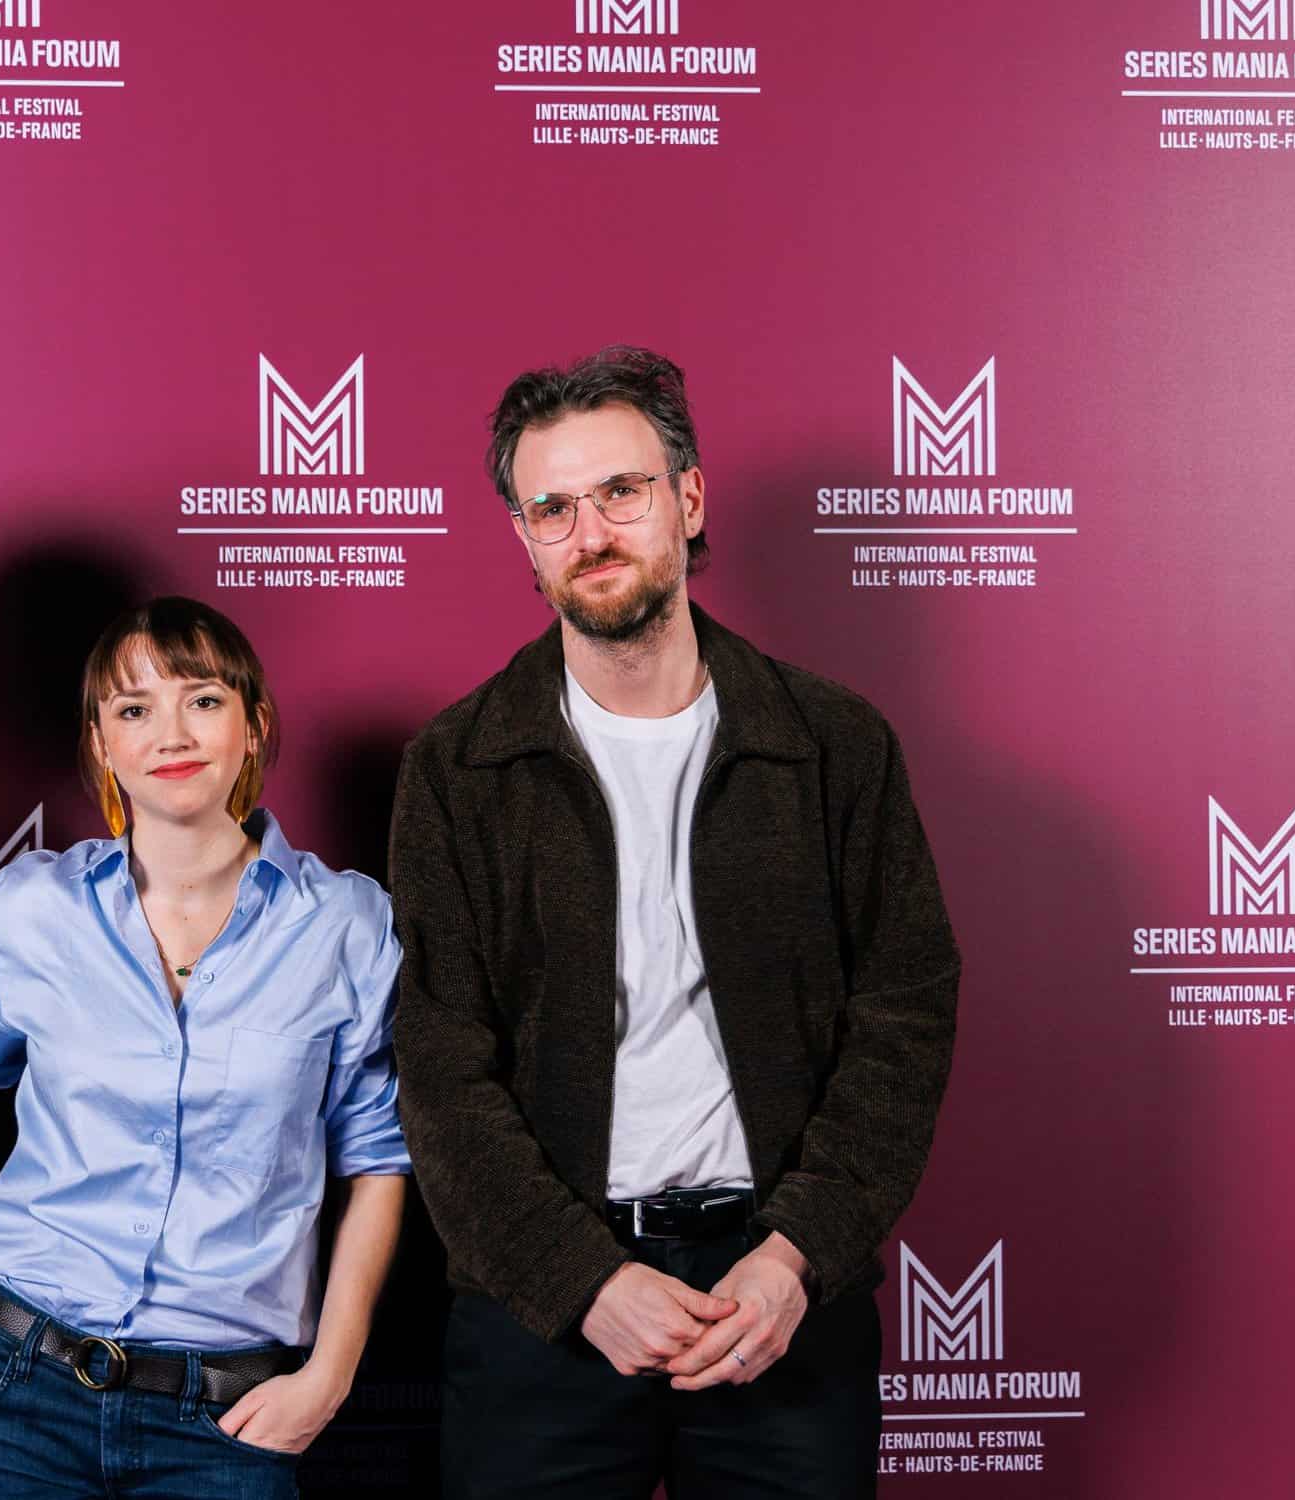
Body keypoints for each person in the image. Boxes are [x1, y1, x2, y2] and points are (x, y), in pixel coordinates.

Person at [390, 347, 961, 1498]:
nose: (590, 532)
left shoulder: (834, 744)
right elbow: (440, 1068)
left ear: (688, 499)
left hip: (780, 1301)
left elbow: (903, 1023)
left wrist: (796, 1256)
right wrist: (581, 1280)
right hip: (543, 1316)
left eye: (621, 491)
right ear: (524, 539)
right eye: (552, 508)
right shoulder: (458, 767)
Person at [0, 596, 408, 1499]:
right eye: (134, 709)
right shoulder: (32, 909)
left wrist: (330, 1375)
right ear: (103, 744)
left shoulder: (345, 924)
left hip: (227, 1416)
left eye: (203, 701)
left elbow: (377, 1160)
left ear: (255, 726)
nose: (171, 734)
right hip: (9, 1389)